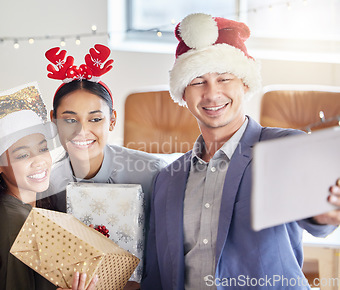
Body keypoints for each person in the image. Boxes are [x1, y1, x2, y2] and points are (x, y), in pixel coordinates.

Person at [142, 13, 340, 290]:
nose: (212, 94)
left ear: (245, 84)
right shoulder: (167, 179)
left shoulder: (283, 148)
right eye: (198, 82)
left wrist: (323, 212)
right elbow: (157, 276)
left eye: (224, 79)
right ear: (183, 95)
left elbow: (318, 215)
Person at [0, 83, 98, 290]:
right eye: (23, 155)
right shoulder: (18, 223)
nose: (39, 161)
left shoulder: (22, 207)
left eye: (42, 148)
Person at [43, 44, 167, 214]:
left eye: (95, 119)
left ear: (112, 120)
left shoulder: (152, 174)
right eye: (70, 120)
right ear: (54, 121)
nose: (82, 130)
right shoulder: (44, 180)